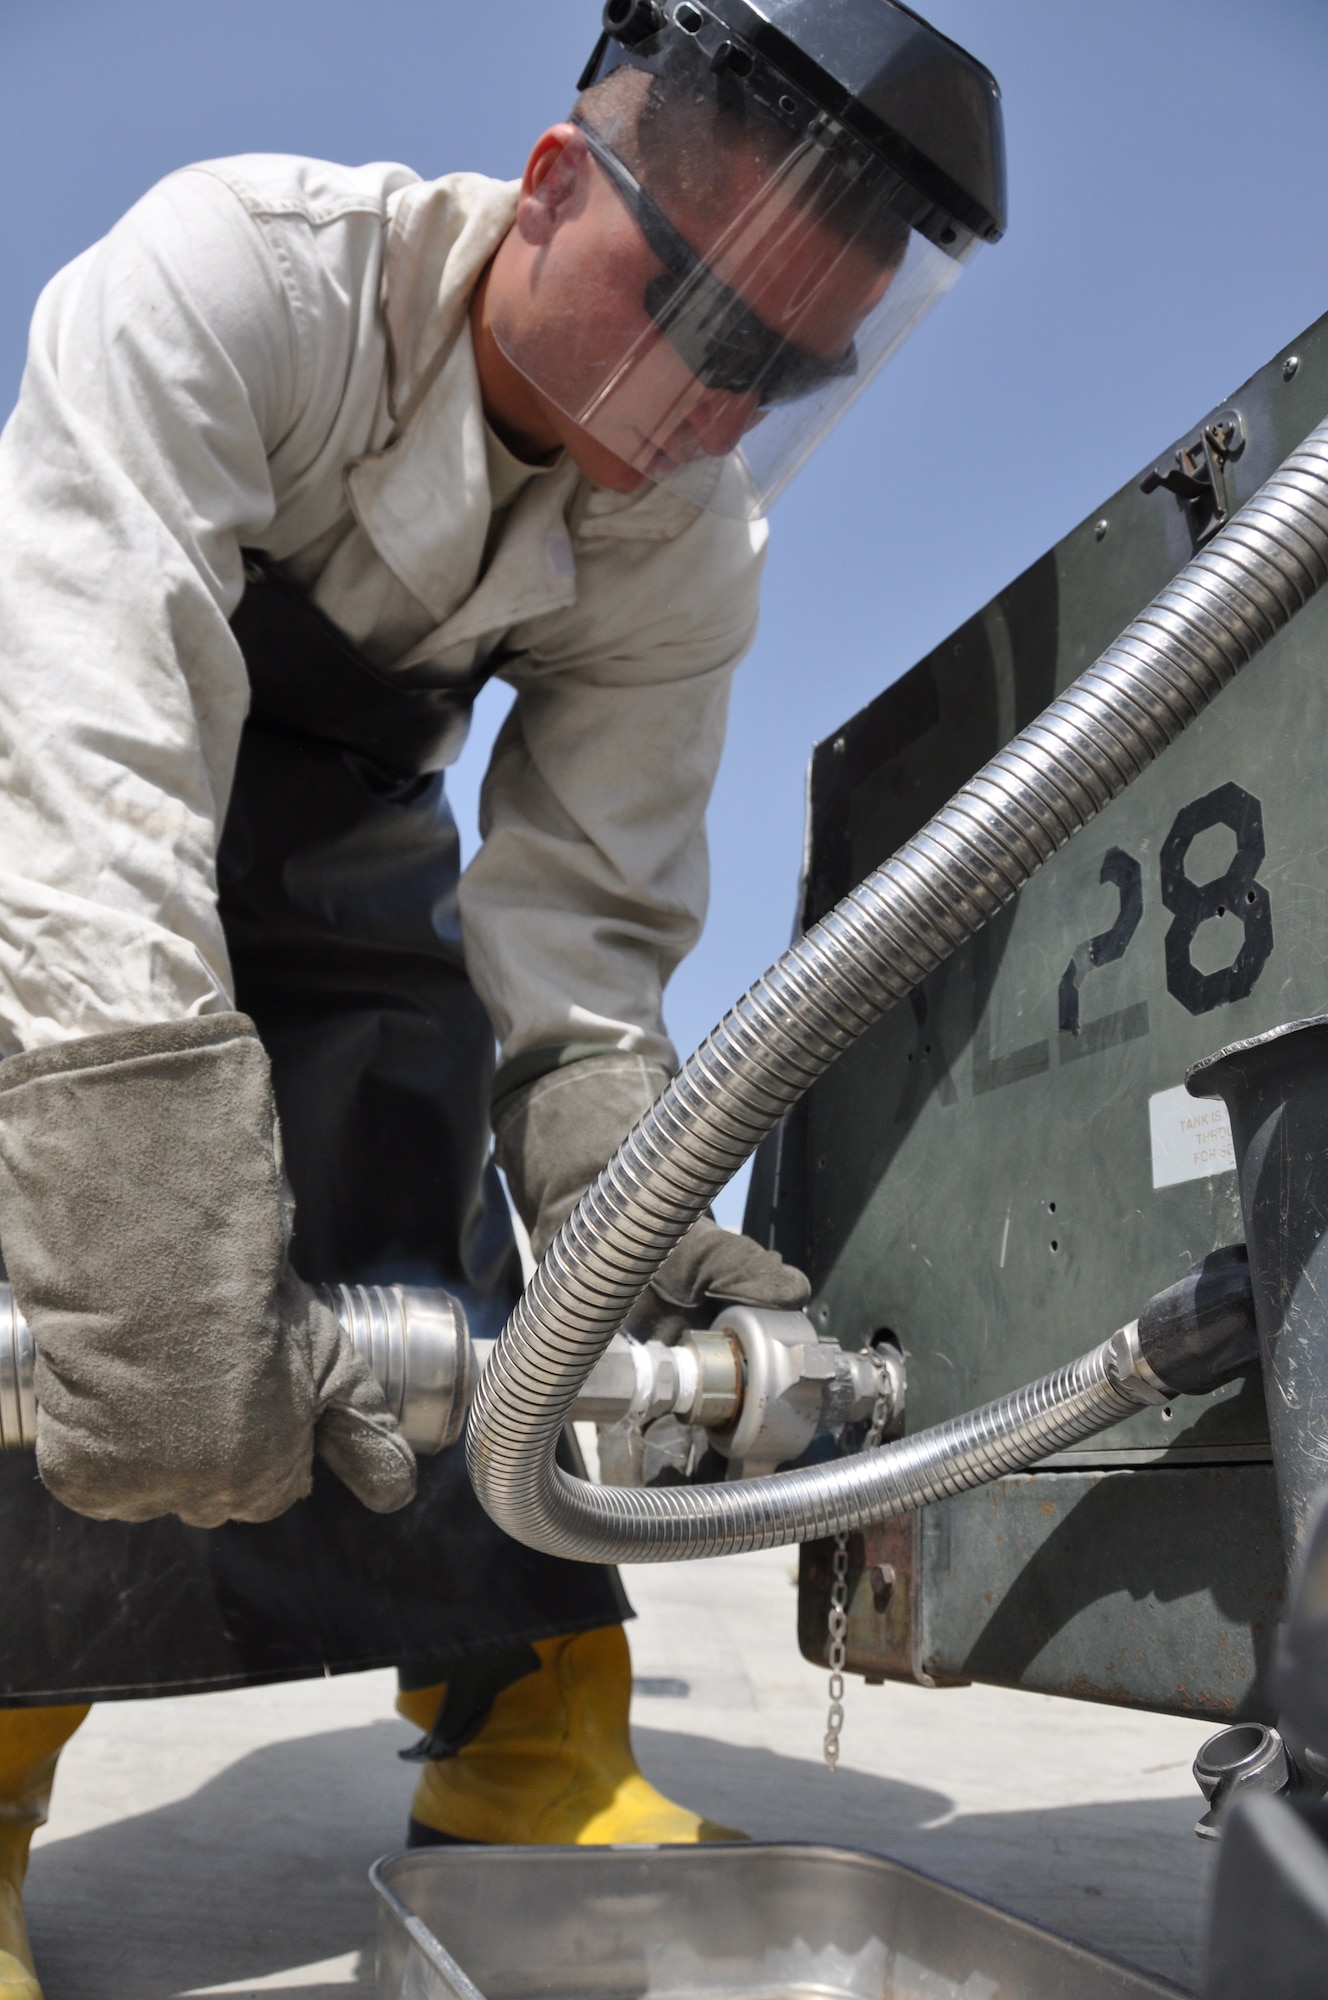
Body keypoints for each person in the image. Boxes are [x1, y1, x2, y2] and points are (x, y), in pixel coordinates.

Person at [0, 2, 1005, 1992]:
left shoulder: (679, 532)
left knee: (481, 1236)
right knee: (88, 1278)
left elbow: (584, 917)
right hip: (81, 798)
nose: (714, 403)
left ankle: (532, 1742)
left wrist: (621, 1206)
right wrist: (130, 1177)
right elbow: (92, 750)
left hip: (356, 851)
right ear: (552, 189)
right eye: (699, 320)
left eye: (779, 368)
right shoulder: (242, 281)